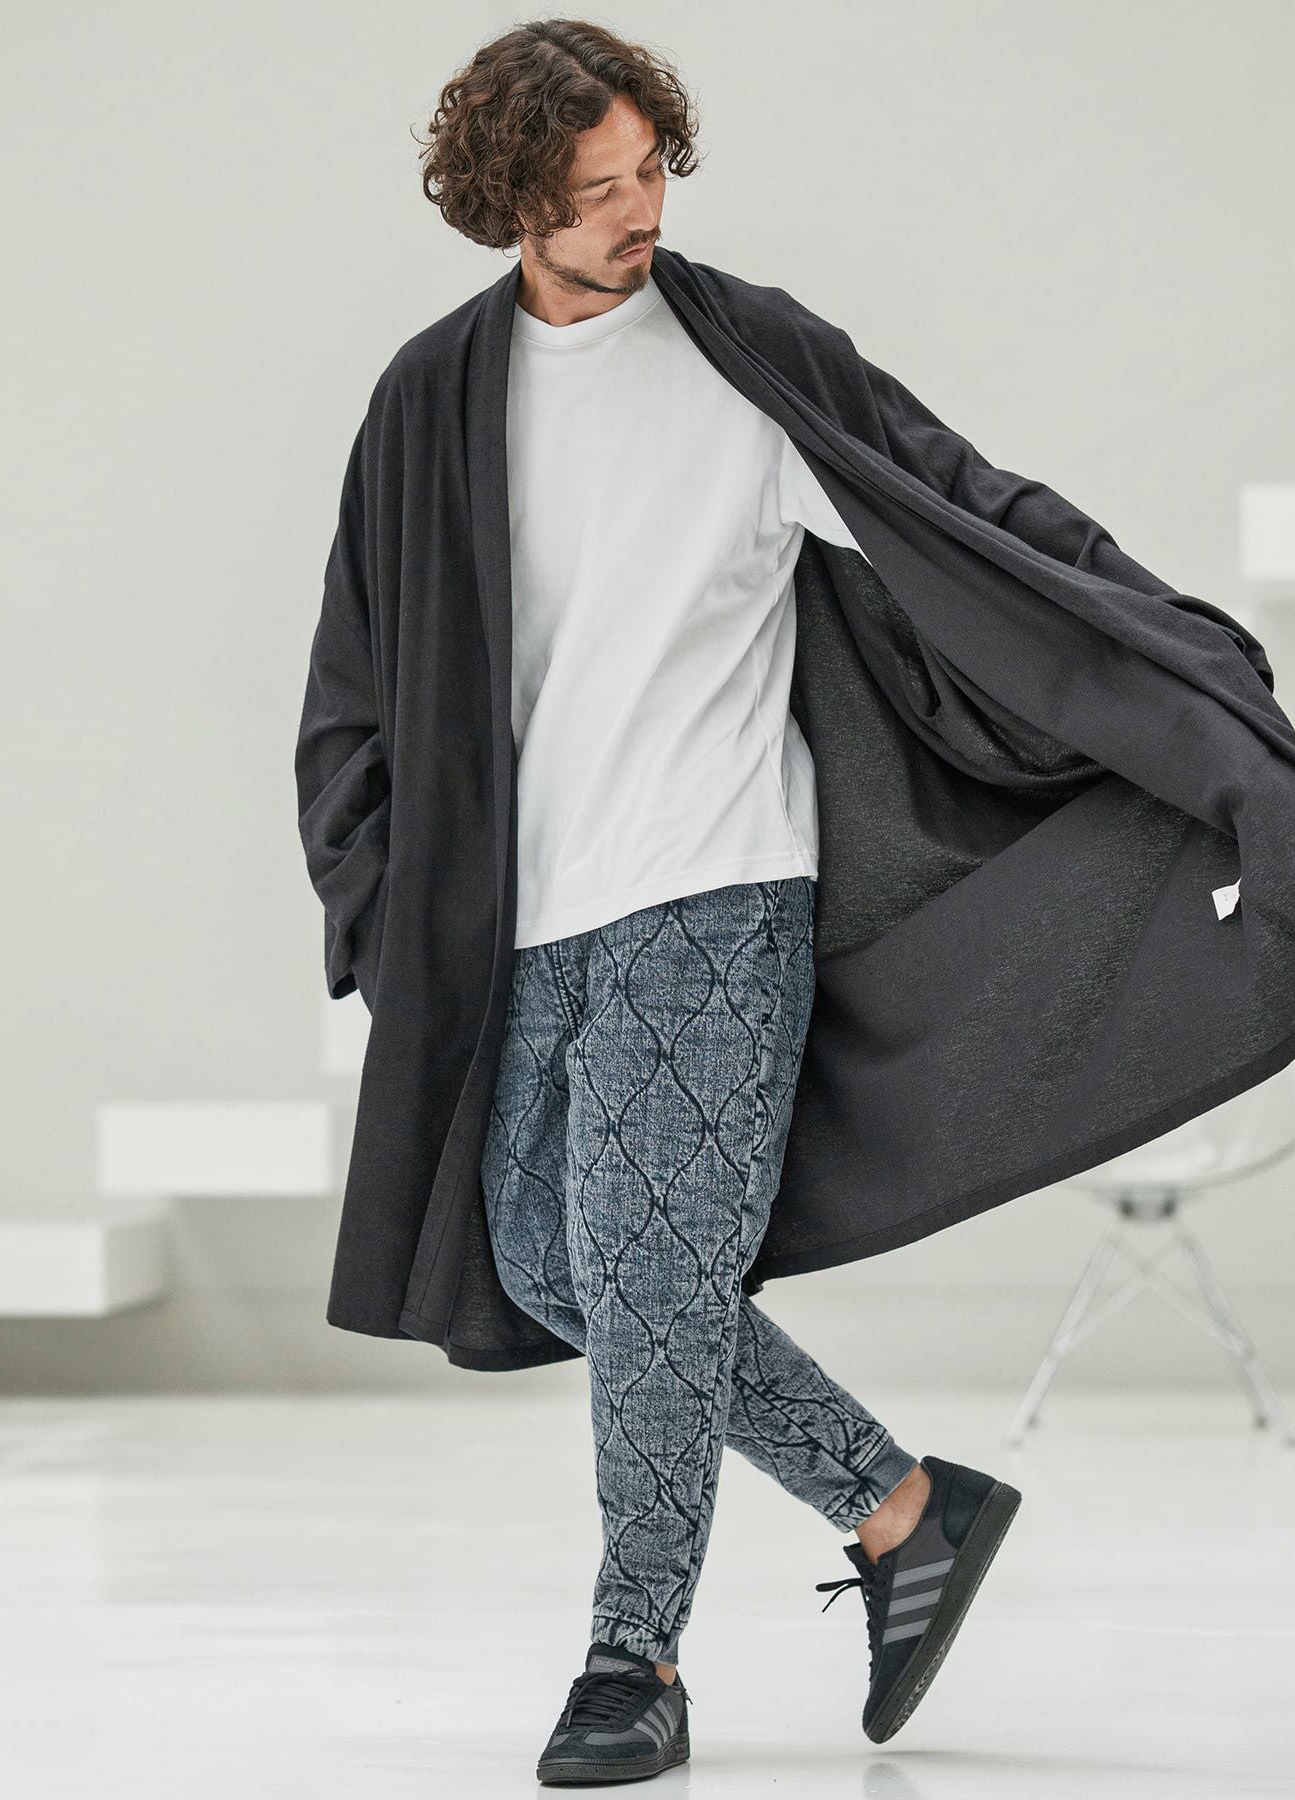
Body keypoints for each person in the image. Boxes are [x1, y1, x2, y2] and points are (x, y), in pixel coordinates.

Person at [408, 18, 1022, 1788]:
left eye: (649, 171)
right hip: (534, 915)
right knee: (550, 1262)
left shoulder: (747, 363)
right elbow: (367, 669)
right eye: (594, 190)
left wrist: (1153, 661)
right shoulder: (437, 399)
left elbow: (957, 511)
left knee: (647, 1273)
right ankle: (905, 1509)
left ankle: (637, 1660)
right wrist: (377, 889)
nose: (639, 212)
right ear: (511, 204)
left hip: (717, 888)